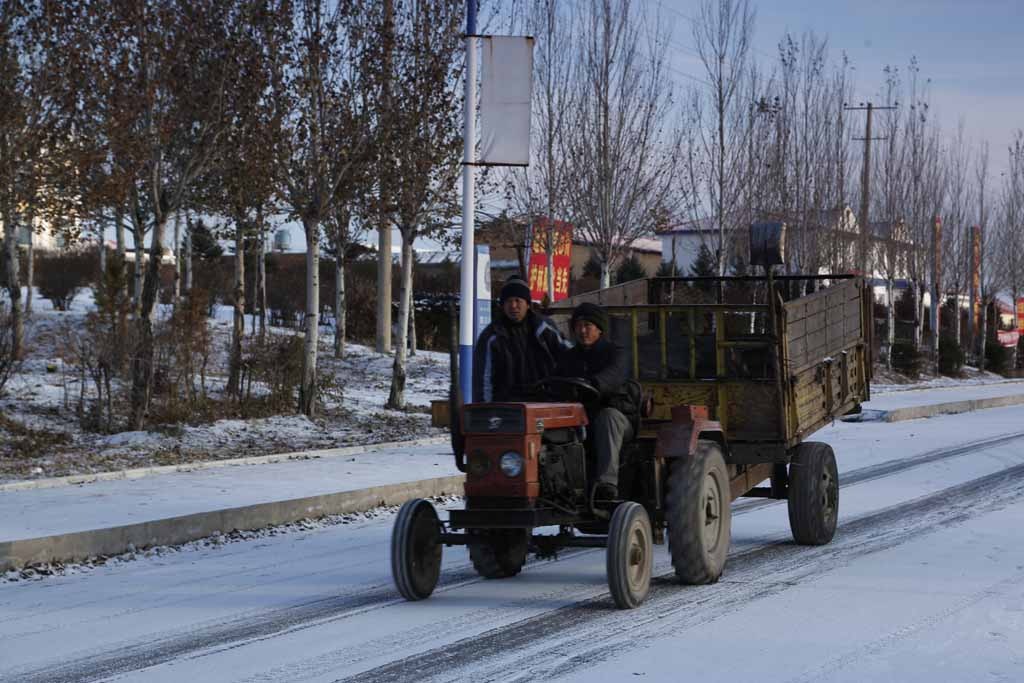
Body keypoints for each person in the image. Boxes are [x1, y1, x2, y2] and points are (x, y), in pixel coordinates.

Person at [555, 302, 638, 500]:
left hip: (618, 418)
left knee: (607, 418)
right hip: (579, 418)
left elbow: (612, 377)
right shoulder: (567, 358)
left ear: (599, 329)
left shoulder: (616, 354)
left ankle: (606, 484)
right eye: (578, 326)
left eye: (588, 326)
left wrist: (592, 384)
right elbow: (557, 381)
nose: (582, 331)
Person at [472, 275, 569, 402]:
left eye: (518, 300)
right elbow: (483, 380)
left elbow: (568, 356)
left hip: (545, 401)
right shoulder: (491, 337)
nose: (513, 306)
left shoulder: (544, 328)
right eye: (508, 301)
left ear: (528, 304)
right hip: (508, 407)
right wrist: (485, 413)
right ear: (502, 305)